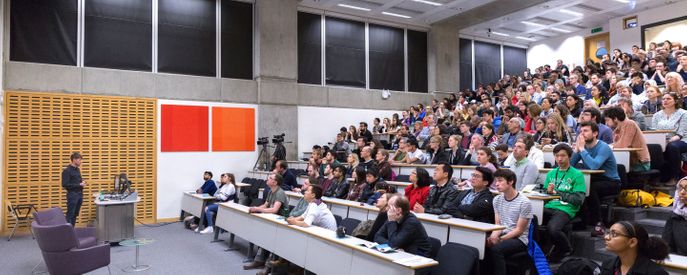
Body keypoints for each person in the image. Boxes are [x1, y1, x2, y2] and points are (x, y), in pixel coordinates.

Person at [571, 121, 620, 237]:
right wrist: (576, 150)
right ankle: (582, 220)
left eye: (586, 131)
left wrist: (582, 149)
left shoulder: (603, 147)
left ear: (595, 133)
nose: (582, 134)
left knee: (591, 187)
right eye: (581, 131)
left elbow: (594, 166)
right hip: (594, 178)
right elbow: (570, 165)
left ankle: (599, 224)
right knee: (579, 184)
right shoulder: (583, 147)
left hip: (611, 181)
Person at [542, 144, 586, 262]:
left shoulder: (577, 175)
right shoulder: (551, 173)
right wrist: (548, 192)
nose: (559, 159)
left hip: (566, 209)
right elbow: (545, 194)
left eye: (563, 156)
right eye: (557, 156)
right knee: (530, 219)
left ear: (570, 157)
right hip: (549, 206)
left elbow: (578, 200)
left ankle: (566, 249)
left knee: (553, 229)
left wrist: (557, 192)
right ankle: (541, 251)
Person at [486, 169, 533, 275]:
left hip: (519, 239)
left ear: (511, 182)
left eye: (500, 180)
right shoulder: (497, 199)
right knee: (483, 244)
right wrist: (493, 237)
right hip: (503, 233)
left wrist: (500, 239)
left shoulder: (524, 202)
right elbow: (498, 224)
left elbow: (519, 230)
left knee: (496, 249)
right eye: (496, 181)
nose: (496, 184)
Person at [243, 173, 290, 272]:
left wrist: (258, 209)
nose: (267, 179)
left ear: (275, 182)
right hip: (271, 219)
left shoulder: (280, 193)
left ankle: (268, 266)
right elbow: (265, 205)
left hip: (280, 223)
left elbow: (275, 210)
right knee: (264, 238)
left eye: (270, 178)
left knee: (272, 242)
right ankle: (259, 261)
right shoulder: (270, 191)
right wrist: (255, 208)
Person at [600, 221, 669, 275]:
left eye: (614, 234)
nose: (606, 237)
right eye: (608, 233)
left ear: (632, 242)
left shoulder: (655, 273)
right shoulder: (607, 264)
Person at [652, 93, 687, 183]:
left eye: (668, 99)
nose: (665, 101)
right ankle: (658, 177)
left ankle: (675, 177)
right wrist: (662, 141)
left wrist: (668, 141)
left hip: (682, 139)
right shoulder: (656, 115)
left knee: (672, 147)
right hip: (661, 140)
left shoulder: (683, 113)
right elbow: (654, 131)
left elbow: (681, 133)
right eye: (663, 99)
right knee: (654, 147)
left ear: (675, 101)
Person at [604, 107, 651, 172]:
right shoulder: (618, 129)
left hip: (640, 163)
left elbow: (623, 145)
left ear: (615, 118)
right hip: (629, 162)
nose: (606, 123)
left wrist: (610, 146)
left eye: (607, 120)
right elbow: (616, 145)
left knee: (609, 170)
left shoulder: (630, 124)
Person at [62, 152, 86, 226]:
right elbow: (65, 184)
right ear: (74, 160)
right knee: (70, 214)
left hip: (79, 195)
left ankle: (72, 229)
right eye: (79, 160)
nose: (80, 162)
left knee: (75, 214)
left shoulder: (77, 170)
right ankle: (67, 233)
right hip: (72, 195)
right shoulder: (67, 171)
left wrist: (82, 182)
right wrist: (78, 185)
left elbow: (78, 181)